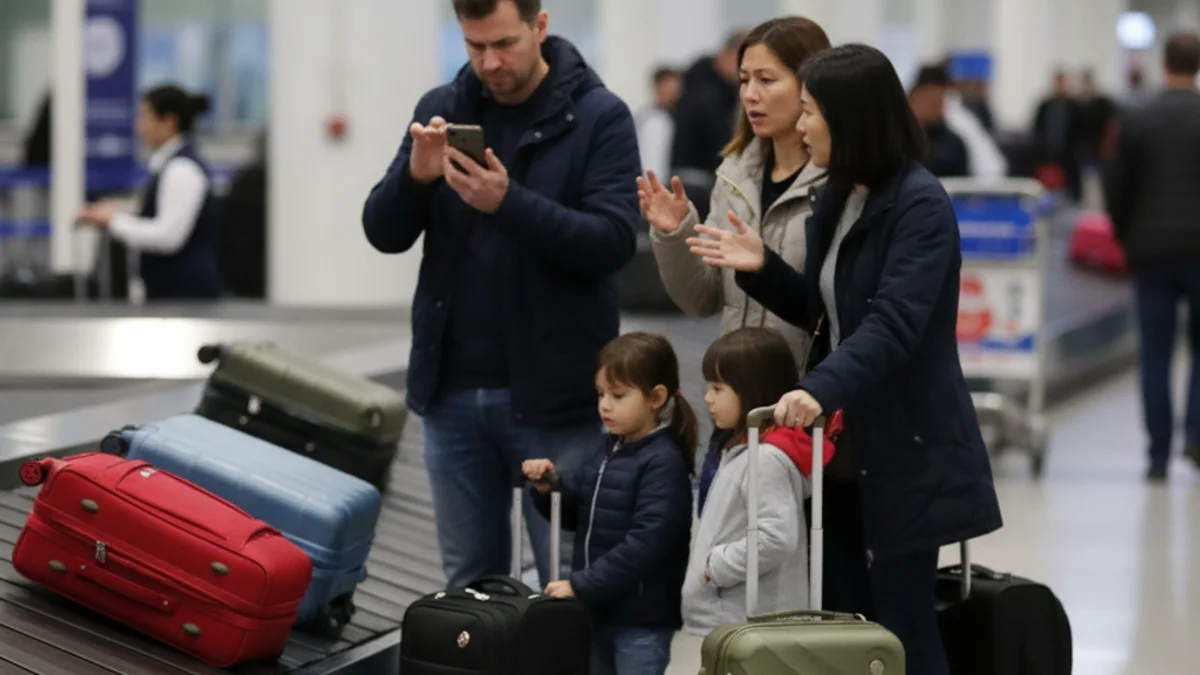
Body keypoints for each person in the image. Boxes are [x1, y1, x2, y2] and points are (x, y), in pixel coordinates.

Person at [686, 44, 1002, 675]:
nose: (799, 127)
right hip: (844, 452)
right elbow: (828, 308)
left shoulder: (919, 205)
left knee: (904, 628)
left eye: (809, 113)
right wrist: (763, 270)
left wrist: (820, 387)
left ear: (851, 118)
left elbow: (893, 323)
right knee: (846, 628)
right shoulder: (840, 193)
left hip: (908, 447)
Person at [360, 0, 640, 590]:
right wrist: (413, 179)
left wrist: (507, 203)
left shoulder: (598, 116)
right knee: (468, 585)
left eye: (504, 44)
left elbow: (613, 242)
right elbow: (382, 233)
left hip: (557, 397)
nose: (490, 62)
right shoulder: (441, 110)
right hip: (453, 394)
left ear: (541, 26)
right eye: (474, 46)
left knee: (567, 584)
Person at [642, 15, 829, 366]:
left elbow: (842, 314)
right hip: (738, 394)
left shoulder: (838, 181)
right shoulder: (735, 175)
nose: (750, 94)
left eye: (766, 80)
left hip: (811, 397)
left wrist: (766, 268)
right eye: (744, 80)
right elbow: (701, 299)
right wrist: (674, 234)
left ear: (810, 84)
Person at [522, 332, 695, 675]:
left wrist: (580, 584)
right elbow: (580, 516)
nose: (604, 405)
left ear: (656, 397)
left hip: (640, 621)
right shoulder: (608, 449)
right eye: (601, 394)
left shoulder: (662, 462)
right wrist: (550, 490)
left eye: (618, 395)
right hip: (598, 611)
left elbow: (644, 545)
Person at [681, 327, 838, 638]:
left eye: (717, 388)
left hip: (750, 622)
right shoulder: (743, 451)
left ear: (751, 389)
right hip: (736, 622)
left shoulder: (765, 459)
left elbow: (776, 537)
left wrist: (716, 566)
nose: (707, 398)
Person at [1104, 33, 1200, 481]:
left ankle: (1158, 454)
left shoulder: (1137, 117)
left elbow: (1115, 184)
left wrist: (1126, 236)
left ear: (1164, 65)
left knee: (1156, 353)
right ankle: (1197, 435)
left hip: (1151, 252)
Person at [76, 85, 222, 300]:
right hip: (171, 293)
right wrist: (121, 212)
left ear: (169, 121)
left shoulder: (182, 169)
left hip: (185, 298)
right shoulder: (168, 166)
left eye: (146, 116)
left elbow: (168, 236)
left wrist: (113, 221)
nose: (139, 127)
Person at [669, 28, 749, 216]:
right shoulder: (709, 96)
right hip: (702, 186)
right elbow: (724, 146)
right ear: (728, 55)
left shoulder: (698, 84)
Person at [909, 64, 970, 178]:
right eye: (931, 102)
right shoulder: (895, 138)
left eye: (941, 102)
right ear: (913, 96)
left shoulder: (952, 144)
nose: (938, 109)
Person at [635, 66, 683, 180]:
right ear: (657, 86)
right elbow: (652, 164)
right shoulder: (653, 121)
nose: (674, 91)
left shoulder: (671, 118)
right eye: (669, 86)